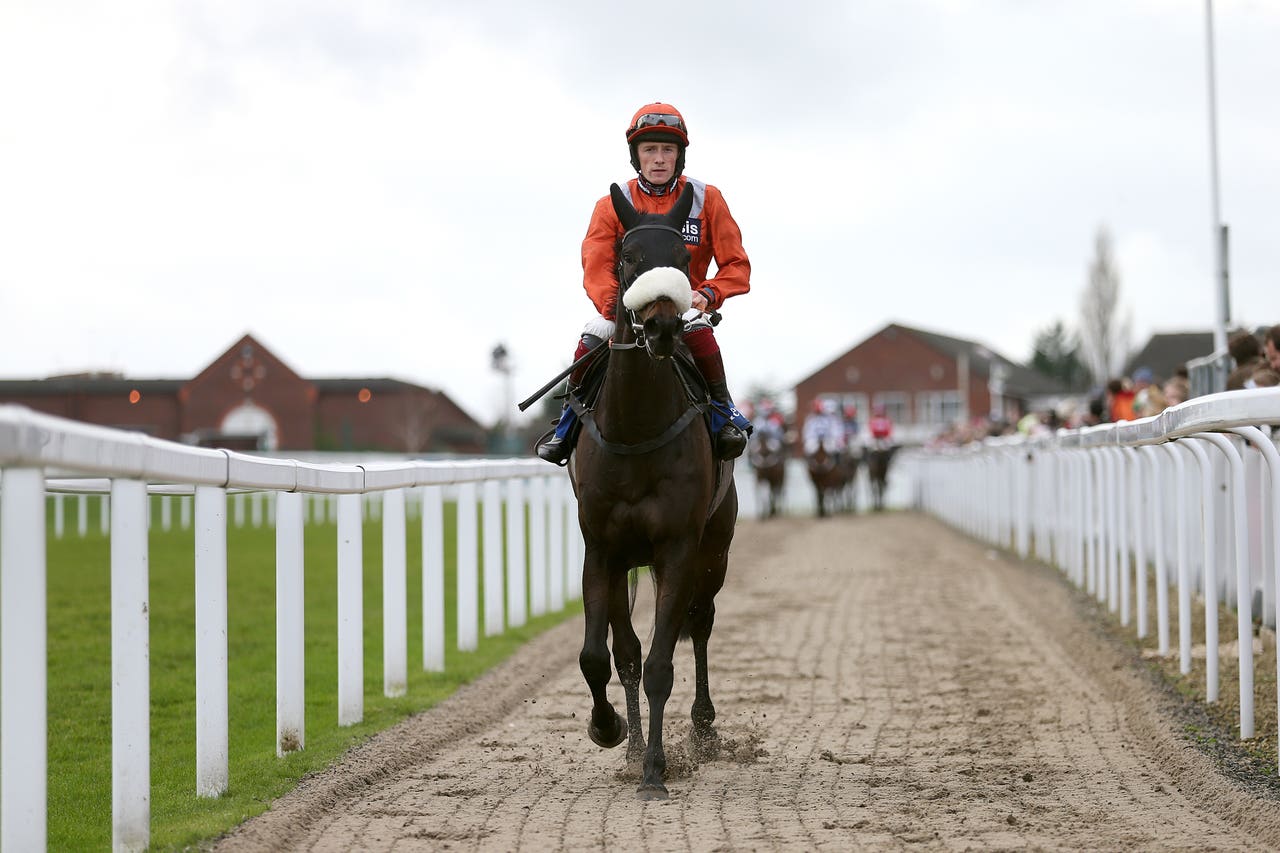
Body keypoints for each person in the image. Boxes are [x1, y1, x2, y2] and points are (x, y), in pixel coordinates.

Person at [536, 103, 753, 465]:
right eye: (649, 149)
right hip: (627, 310)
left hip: (684, 308)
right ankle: (567, 423)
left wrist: (708, 294)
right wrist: (611, 305)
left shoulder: (707, 198)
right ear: (636, 155)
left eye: (667, 150)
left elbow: (736, 264)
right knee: (591, 334)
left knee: (700, 332)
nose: (659, 159)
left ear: (679, 155)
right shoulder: (611, 204)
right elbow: (595, 263)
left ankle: (722, 410)